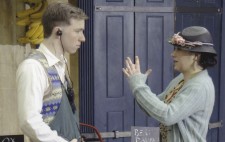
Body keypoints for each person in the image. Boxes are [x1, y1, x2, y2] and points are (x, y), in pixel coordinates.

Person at [122, 26, 217, 142]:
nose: (173, 54)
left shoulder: (200, 86)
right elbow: (153, 107)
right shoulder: (182, 78)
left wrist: (138, 85)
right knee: (137, 137)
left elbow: (167, 115)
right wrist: (138, 84)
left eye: (179, 49)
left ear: (196, 56)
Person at [16, 2, 88, 142]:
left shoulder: (59, 64)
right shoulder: (33, 67)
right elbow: (29, 121)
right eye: (78, 31)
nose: (83, 38)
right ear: (58, 32)